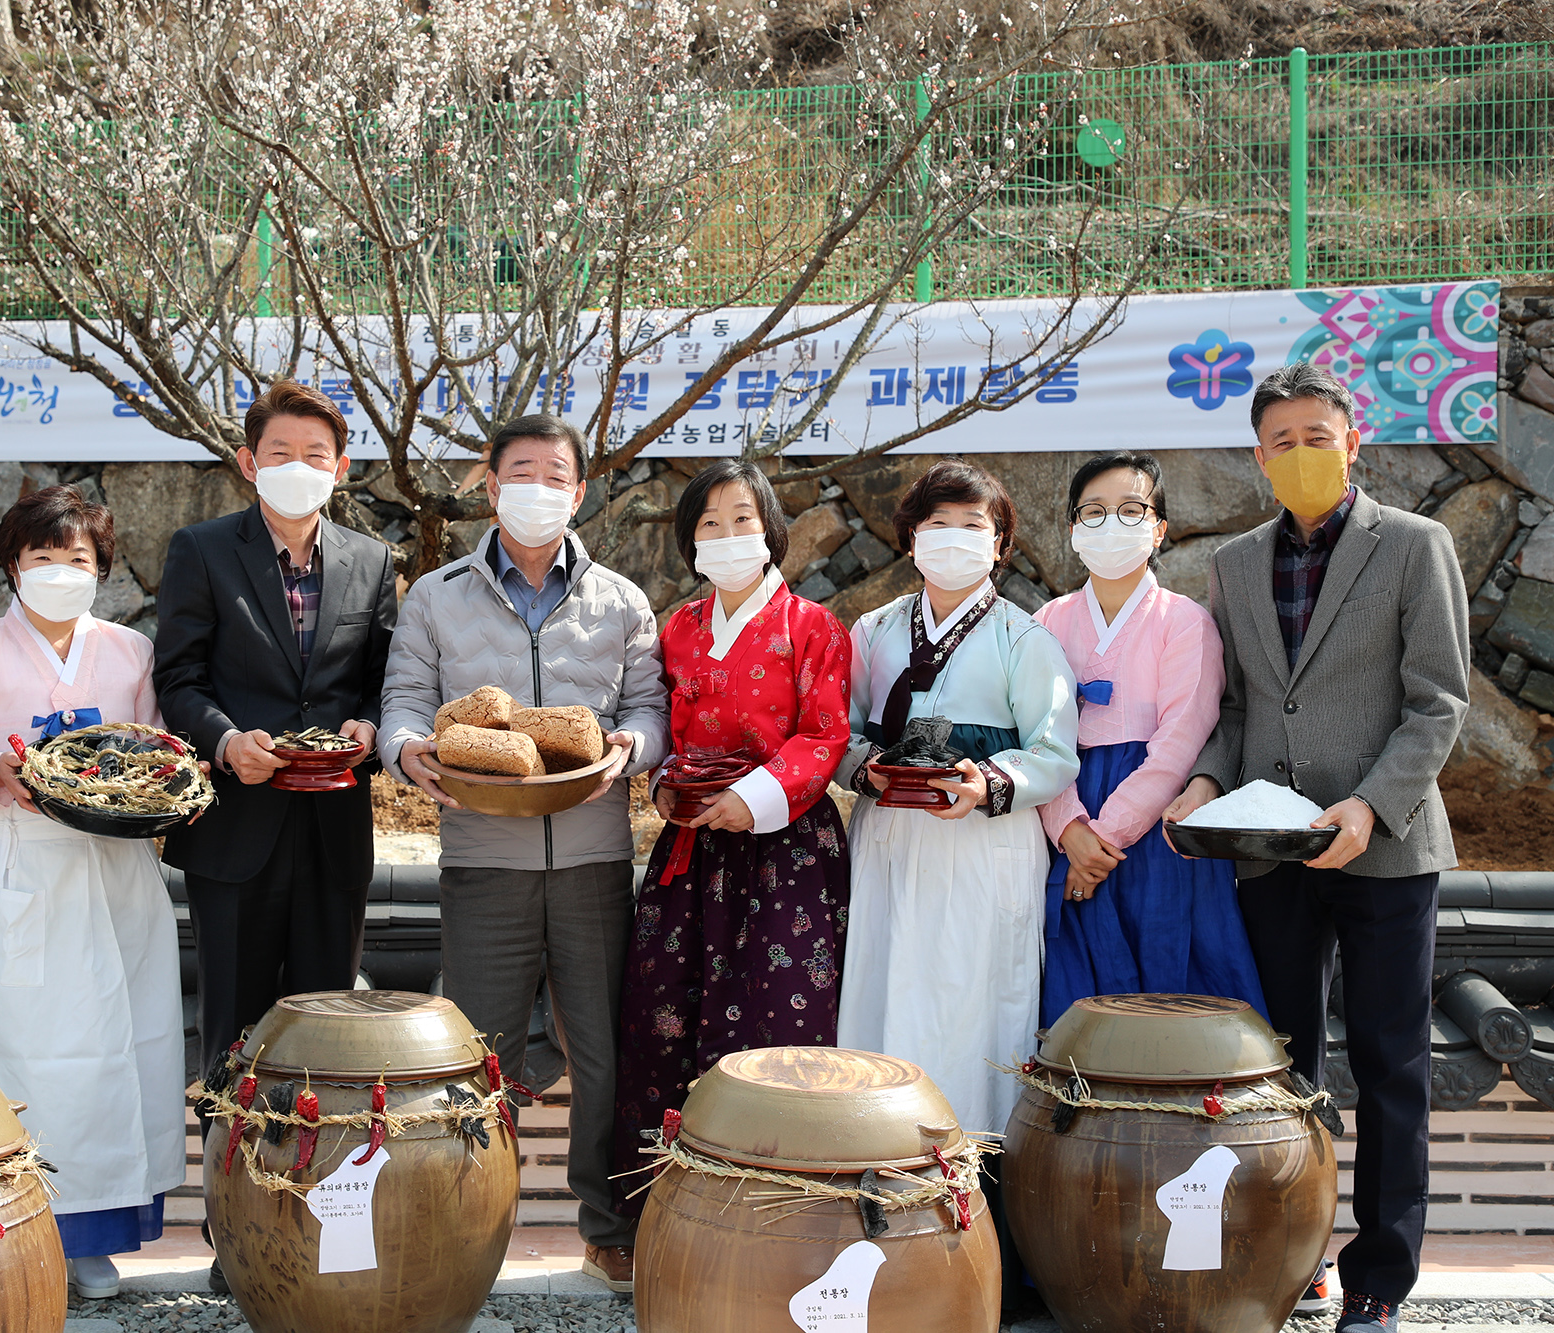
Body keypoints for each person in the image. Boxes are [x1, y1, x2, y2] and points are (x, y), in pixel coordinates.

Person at [1164, 363, 1469, 1333]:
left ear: (1352, 442)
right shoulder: (1236, 563)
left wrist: (1368, 807)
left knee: (1386, 1060)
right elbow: (1240, 706)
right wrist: (1205, 783)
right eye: (1279, 442)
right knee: (1277, 1065)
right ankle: (1292, 1256)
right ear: (1257, 457)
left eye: (1315, 437)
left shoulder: (1414, 546)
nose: (1299, 455)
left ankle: (1377, 1275)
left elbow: (1436, 702)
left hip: (1383, 850)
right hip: (1270, 852)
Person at [380, 413, 670, 1293]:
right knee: (481, 1052)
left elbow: (652, 709)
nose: (538, 487)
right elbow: (402, 699)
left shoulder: (621, 601)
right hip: (482, 855)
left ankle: (609, 1224)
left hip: (591, 855)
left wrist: (629, 748)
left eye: (556, 474)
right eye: (521, 472)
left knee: (604, 1050)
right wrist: (406, 750)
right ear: (490, 482)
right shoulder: (436, 595)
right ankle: (472, 1223)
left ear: (579, 492)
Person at [0, 485, 184, 1301]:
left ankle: (91, 1236)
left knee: (108, 1059)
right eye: (42, 558)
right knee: (8, 1054)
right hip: (8, 875)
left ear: (103, 569)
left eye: (78, 560)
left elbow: (158, 746)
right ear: (11, 568)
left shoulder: (132, 654)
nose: (60, 573)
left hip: (111, 873)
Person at [151, 380, 397, 1291]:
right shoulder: (203, 551)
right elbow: (176, 674)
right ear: (250, 463)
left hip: (333, 827)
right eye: (281, 454)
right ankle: (237, 1237)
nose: (300, 469)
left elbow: (384, 678)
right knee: (236, 1037)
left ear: (341, 468)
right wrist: (223, 740)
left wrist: (373, 728)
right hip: (238, 828)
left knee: (325, 1040)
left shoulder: (372, 561)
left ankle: (318, 1227)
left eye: (318, 455)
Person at [609, 460, 852, 1204]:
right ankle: (668, 1211)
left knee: (782, 1022)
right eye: (708, 523)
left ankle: (784, 1203)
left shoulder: (814, 628)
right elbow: (660, 727)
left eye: (742, 518)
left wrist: (753, 797)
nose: (726, 534)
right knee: (664, 1019)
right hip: (693, 846)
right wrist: (663, 787)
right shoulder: (678, 630)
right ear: (689, 541)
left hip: (786, 854)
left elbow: (825, 734)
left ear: (772, 529)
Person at [835, 459, 1079, 1129]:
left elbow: (1055, 752)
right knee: (884, 988)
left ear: (999, 544)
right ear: (911, 537)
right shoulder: (874, 631)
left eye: (974, 525)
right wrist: (866, 767)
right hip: (890, 839)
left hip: (984, 845)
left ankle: (974, 1170)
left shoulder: (1023, 637)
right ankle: (877, 1147)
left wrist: (990, 780)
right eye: (937, 523)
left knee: (977, 1003)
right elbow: (842, 731)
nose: (953, 537)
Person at [1034, 452, 1266, 1026]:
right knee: (1076, 986)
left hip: (1158, 825)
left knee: (1172, 972)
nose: (1111, 523)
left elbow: (1180, 741)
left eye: (1132, 509)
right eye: (1094, 512)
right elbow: (1035, 733)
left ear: (1159, 527)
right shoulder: (1047, 622)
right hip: (1067, 802)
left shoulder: (1185, 621)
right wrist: (1067, 829)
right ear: (1072, 530)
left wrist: (1099, 841)